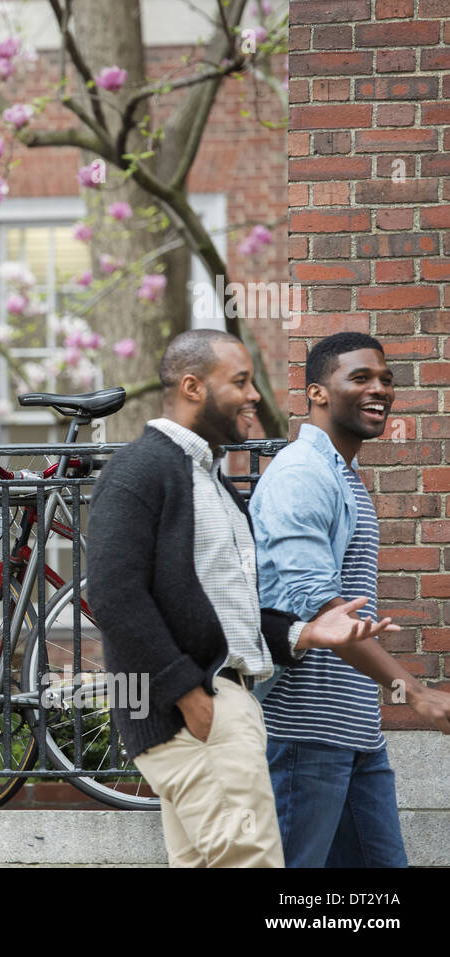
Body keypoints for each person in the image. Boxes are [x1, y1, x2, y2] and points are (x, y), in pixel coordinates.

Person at [87, 329, 397, 867]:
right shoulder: (141, 468)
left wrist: (303, 633)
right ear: (192, 387)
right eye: (240, 382)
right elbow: (114, 595)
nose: (255, 395)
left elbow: (229, 612)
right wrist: (190, 694)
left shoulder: (210, 480)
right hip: (198, 710)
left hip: (227, 703)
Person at [251, 332, 450, 866]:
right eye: (359, 378)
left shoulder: (344, 475)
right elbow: (320, 608)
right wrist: (416, 694)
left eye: (385, 378)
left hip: (355, 730)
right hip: (302, 730)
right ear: (317, 392)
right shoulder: (302, 474)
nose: (380, 389)